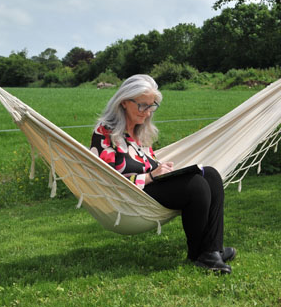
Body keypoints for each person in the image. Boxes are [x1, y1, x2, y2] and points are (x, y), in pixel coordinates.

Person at [90, 74, 235, 274]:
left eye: (152, 106)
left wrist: (163, 170)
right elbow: (106, 179)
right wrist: (152, 176)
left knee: (210, 174)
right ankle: (203, 254)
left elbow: (149, 165)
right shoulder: (105, 133)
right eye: (142, 105)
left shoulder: (140, 132)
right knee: (196, 185)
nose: (148, 112)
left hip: (150, 189)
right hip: (129, 196)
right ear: (124, 102)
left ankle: (212, 250)